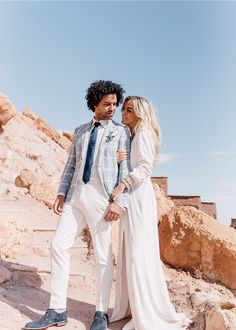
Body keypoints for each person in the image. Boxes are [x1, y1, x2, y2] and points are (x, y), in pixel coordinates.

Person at [24, 80, 130, 330]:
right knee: (58, 245)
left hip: (102, 198)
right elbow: (71, 164)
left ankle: (101, 313)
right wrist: (61, 193)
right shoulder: (81, 131)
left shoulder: (120, 132)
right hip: (75, 196)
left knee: (103, 256)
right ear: (94, 104)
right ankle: (57, 309)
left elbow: (125, 168)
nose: (112, 108)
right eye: (107, 104)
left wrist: (119, 202)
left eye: (115, 104)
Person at [110, 96, 192, 330]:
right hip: (133, 197)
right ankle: (132, 307)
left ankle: (147, 313)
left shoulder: (144, 132)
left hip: (138, 196)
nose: (122, 114)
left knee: (138, 253)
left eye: (127, 110)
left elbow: (145, 168)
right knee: (131, 252)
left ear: (139, 112)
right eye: (122, 109)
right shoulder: (134, 134)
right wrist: (124, 158)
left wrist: (122, 184)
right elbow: (136, 162)